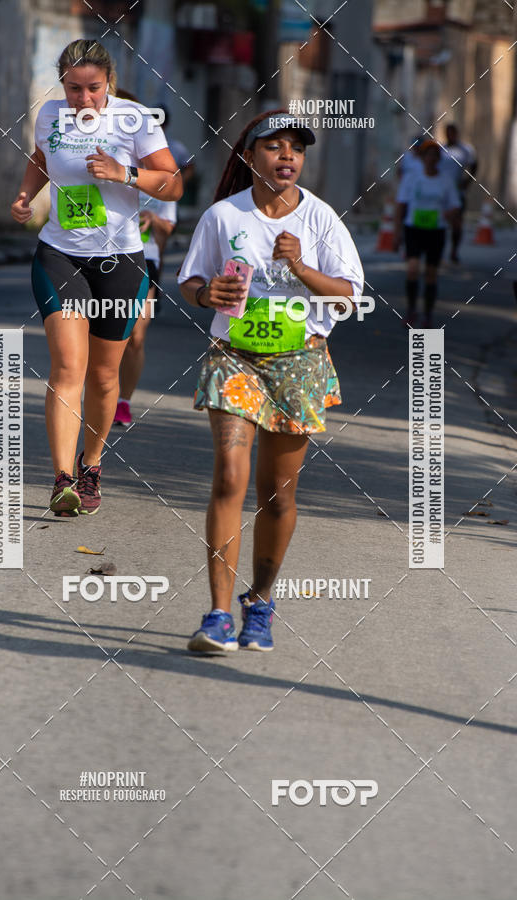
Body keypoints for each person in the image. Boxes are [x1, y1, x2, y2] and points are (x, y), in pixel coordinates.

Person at [178, 111, 364, 653]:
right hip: (235, 357)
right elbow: (190, 280)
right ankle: (216, 615)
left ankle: (259, 602)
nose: (287, 156)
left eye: (296, 149)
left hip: (298, 362)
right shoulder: (222, 216)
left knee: (278, 496)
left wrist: (303, 268)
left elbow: (347, 298)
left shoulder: (321, 219)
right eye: (274, 146)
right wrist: (206, 294)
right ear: (249, 156)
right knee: (228, 477)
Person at [10, 39, 182, 516]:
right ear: (61, 83)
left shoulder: (134, 119)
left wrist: (125, 174)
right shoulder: (50, 115)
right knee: (68, 367)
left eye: (93, 88)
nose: (83, 99)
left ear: (109, 81)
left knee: (105, 377)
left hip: (122, 262)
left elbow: (172, 180)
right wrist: (26, 195)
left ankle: (92, 465)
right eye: (73, 89)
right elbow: (42, 159)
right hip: (60, 255)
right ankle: (62, 478)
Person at [113, 192, 177, 425]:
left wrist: (152, 217)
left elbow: (168, 227)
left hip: (146, 258)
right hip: (107, 254)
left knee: (136, 337)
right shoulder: (110, 162)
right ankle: (100, 395)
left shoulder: (164, 173)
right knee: (102, 331)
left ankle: (123, 402)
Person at [394, 140, 461, 328]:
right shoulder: (412, 178)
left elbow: (456, 205)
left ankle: (428, 315)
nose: (431, 159)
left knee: (431, 274)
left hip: (436, 231)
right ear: (422, 158)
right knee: (413, 269)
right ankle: (411, 310)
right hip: (414, 229)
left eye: (434, 155)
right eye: (427, 155)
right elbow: (401, 205)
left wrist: (449, 214)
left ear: (438, 159)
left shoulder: (446, 180)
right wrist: (396, 232)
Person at [441, 123, 477, 262]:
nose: (450, 135)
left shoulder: (465, 150)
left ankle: (454, 251)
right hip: (441, 193)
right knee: (442, 222)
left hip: (457, 192)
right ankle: (439, 251)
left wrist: (467, 181)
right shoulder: (441, 149)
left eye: (452, 132)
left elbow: (474, 165)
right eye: (447, 133)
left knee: (457, 224)